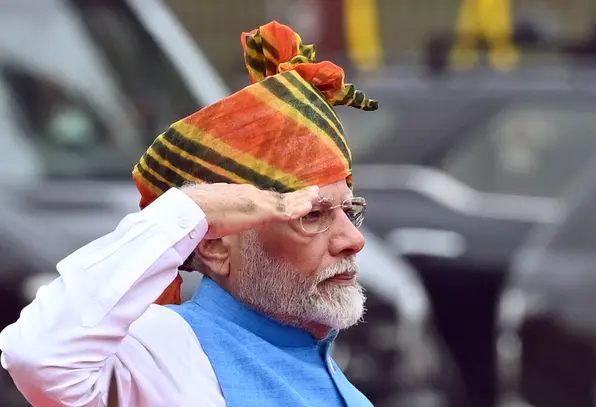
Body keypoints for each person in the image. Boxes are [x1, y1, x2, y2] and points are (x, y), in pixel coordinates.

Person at [0, 21, 378, 407]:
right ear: (214, 247)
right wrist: (192, 208)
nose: (354, 240)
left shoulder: (330, 372)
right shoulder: (163, 356)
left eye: (349, 210)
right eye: (312, 215)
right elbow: (38, 357)